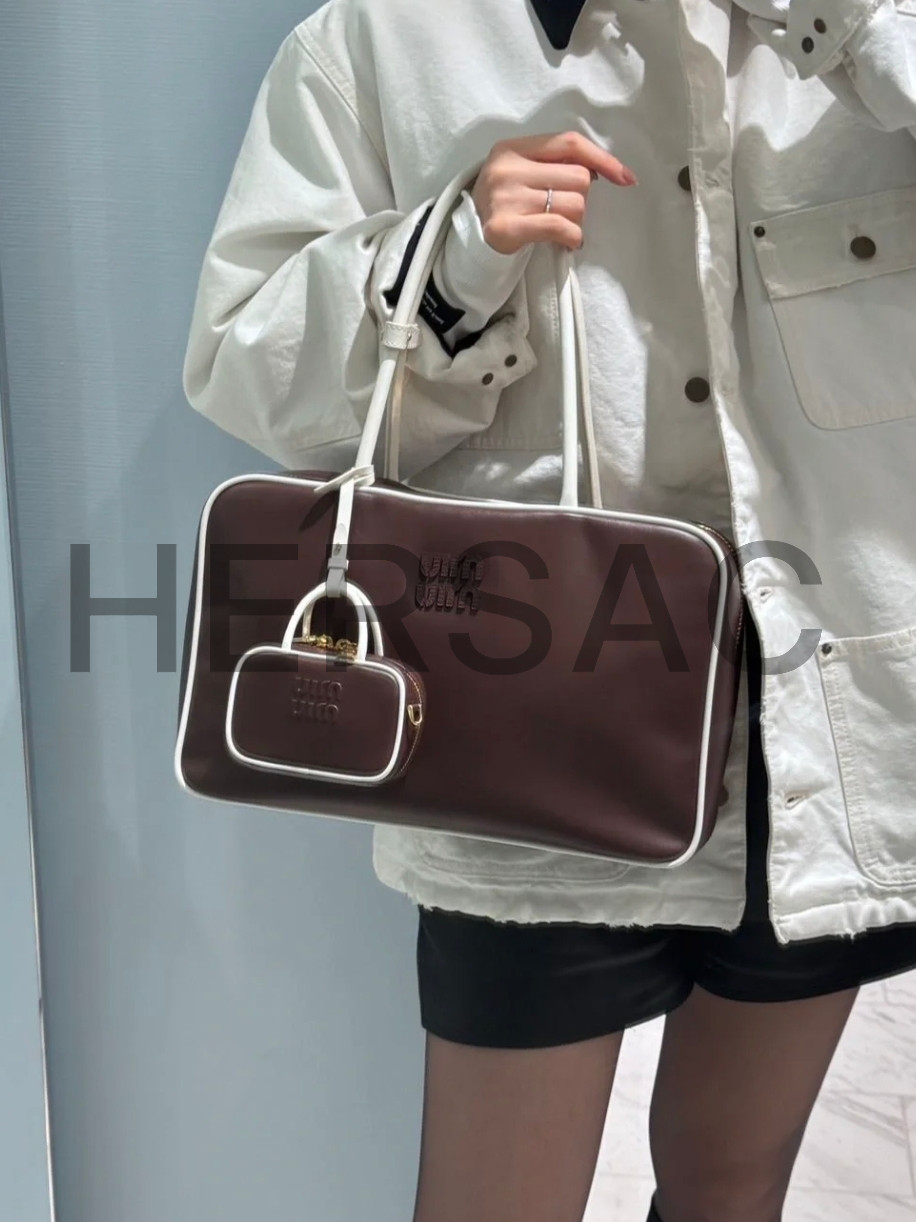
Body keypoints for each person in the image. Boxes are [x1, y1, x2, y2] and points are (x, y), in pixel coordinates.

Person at [181, 2, 916, 1219]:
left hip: (822, 735)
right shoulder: (386, 39)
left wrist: (851, 27)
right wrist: (446, 265)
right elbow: (244, 364)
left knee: (732, 1185)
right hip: (534, 741)